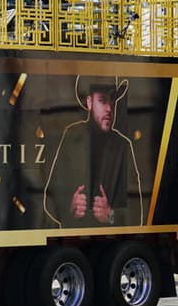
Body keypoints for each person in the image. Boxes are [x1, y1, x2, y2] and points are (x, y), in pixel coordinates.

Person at [43, 77, 143, 228]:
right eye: (103, 101)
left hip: (110, 242)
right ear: (89, 103)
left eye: (113, 102)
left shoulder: (123, 145)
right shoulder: (70, 138)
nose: (109, 109)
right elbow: (49, 200)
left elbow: (138, 212)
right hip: (72, 241)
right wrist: (69, 209)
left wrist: (110, 215)